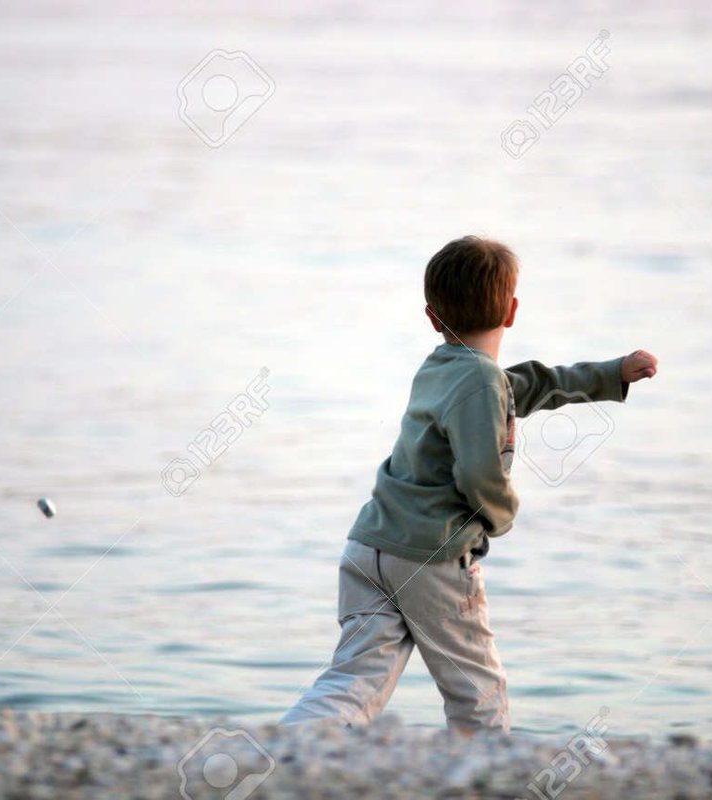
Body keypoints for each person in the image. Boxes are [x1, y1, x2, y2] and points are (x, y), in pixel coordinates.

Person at [282, 235, 658, 732]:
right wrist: (501, 517)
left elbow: (530, 385)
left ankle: (291, 746)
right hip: (430, 556)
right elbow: (479, 472)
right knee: (479, 692)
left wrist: (611, 374)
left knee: (356, 678)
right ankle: (482, 767)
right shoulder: (481, 381)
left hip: (371, 545)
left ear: (432, 318)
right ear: (512, 311)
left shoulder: (443, 369)